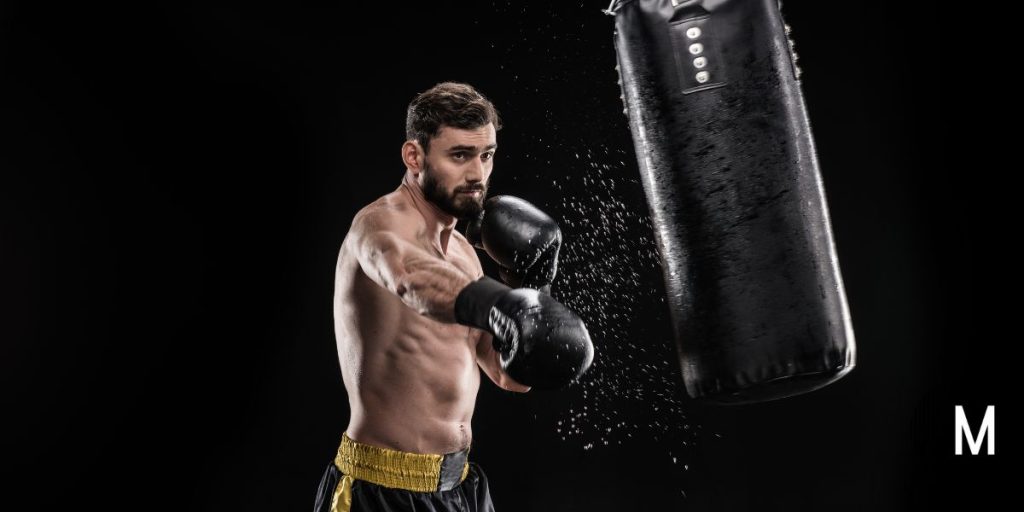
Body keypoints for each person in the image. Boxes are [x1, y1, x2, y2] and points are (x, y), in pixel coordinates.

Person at [313, 82, 594, 512]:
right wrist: (504, 303)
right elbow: (410, 277)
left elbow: (508, 376)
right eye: (460, 155)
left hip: (460, 486)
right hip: (382, 489)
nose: (478, 174)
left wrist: (533, 290)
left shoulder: (465, 255)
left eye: (487, 155)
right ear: (414, 156)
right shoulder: (376, 227)